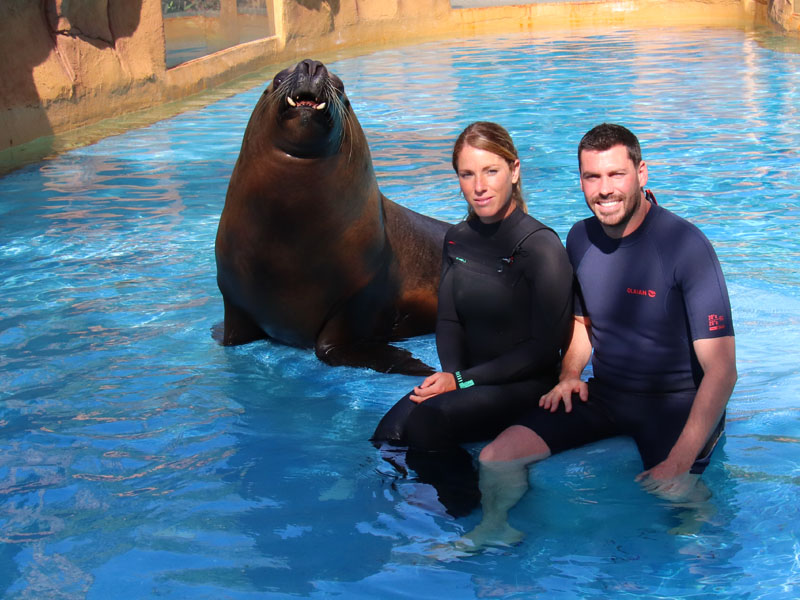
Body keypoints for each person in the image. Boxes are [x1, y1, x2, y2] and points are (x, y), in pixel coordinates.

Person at [464, 123, 738, 547]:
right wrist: (571, 373)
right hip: (608, 396)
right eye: (593, 177)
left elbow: (721, 371)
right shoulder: (580, 237)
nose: (604, 189)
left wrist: (680, 461)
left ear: (641, 174)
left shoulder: (685, 247)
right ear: (581, 181)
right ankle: (495, 528)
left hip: (676, 403)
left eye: (616, 175)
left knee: (682, 501)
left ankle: (706, 574)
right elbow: (582, 322)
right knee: (495, 458)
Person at [371, 121, 573, 517]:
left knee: (428, 422)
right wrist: (453, 377)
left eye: (490, 171)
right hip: (471, 379)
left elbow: (544, 349)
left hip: (526, 384)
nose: (479, 185)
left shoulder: (541, 247)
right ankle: (416, 505)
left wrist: (461, 383)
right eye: (467, 174)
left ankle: (470, 514)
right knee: (387, 434)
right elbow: (448, 321)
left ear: (514, 171)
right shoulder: (457, 239)